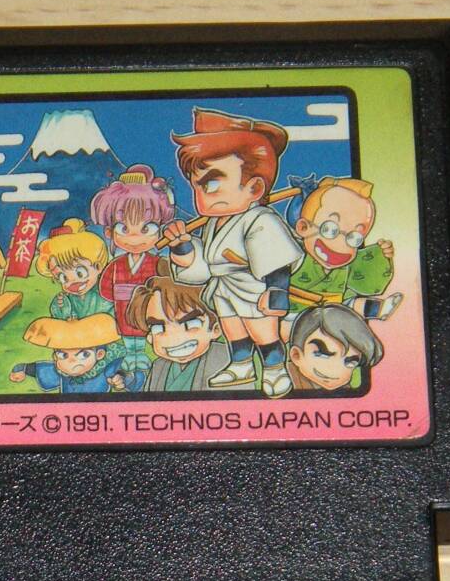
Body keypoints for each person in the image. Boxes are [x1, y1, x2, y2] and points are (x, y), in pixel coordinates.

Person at [162, 108, 303, 398]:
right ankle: (241, 364)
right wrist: (183, 247)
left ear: (254, 187)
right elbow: (204, 267)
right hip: (224, 286)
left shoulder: (260, 219)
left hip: (252, 286)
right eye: (197, 186)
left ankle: (275, 369)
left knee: (262, 331)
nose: (201, 197)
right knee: (232, 328)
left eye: (212, 184)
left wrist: (277, 291)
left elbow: (277, 259)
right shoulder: (214, 224)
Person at [282, 175, 402, 339]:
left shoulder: (346, 265)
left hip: (333, 309)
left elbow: (368, 279)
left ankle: (379, 309)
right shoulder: (295, 255)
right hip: (294, 312)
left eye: (354, 237)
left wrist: (382, 256)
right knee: (288, 329)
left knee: (353, 305)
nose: (340, 243)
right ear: (303, 227)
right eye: (330, 230)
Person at [90, 165, 177, 390]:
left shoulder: (157, 263)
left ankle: (145, 365)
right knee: (129, 343)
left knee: (147, 339)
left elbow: (167, 287)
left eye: (146, 228)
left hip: (149, 313)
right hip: (123, 313)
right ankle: (130, 362)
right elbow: (106, 289)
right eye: (123, 228)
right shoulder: (116, 265)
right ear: (110, 232)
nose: (135, 237)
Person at [125, 275, 230, 392]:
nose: (173, 337)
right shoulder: (159, 366)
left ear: (216, 328)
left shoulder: (227, 360)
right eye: (159, 328)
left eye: (190, 324)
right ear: (150, 338)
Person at [8, 314, 141, 393]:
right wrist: (22, 369)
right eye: (63, 355)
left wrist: (125, 379)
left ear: (99, 355)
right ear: (55, 357)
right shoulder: (62, 372)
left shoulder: (107, 368)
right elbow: (41, 370)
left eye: (84, 355)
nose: (72, 362)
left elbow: (137, 378)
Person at [286, 304, 384, 391]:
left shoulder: (348, 392)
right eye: (323, 355)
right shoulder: (284, 383)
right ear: (296, 355)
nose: (336, 369)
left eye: (350, 362)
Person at [34, 218, 113, 320]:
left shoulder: (105, 293)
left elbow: (113, 315)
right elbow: (61, 318)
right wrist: (62, 307)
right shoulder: (68, 298)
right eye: (63, 278)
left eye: (80, 273)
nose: (72, 281)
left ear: (98, 267)